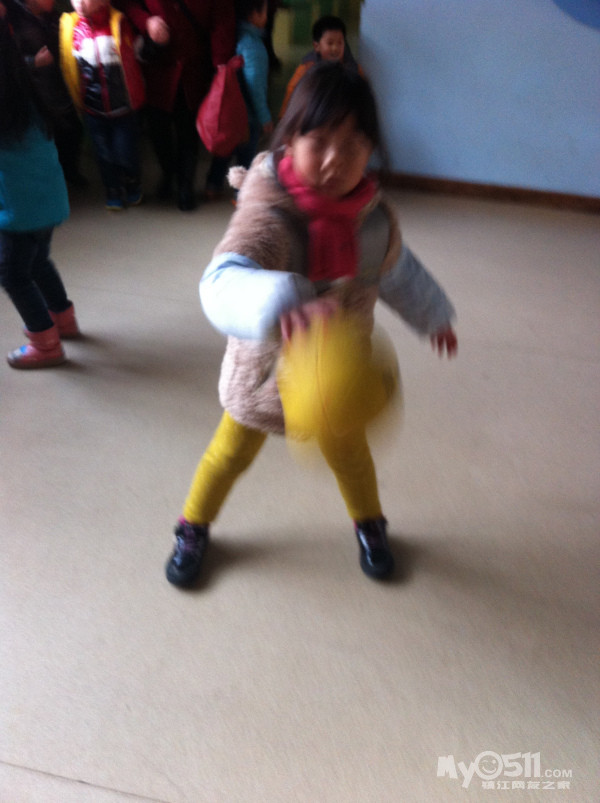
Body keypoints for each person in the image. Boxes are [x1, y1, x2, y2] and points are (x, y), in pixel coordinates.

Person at [164, 62, 458, 588]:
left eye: (353, 144)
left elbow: (396, 269)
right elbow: (220, 281)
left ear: (372, 149)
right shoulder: (267, 216)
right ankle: (192, 526)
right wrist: (279, 301)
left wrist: (433, 315)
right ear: (289, 140)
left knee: (352, 457)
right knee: (228, 454)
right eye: (318, 141)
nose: (333, 160)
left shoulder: (372, 221)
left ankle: (369, 524)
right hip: (263, 378)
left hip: (336, 382)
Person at [0, 20, 80, 369]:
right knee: (37, 262)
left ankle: (46, 345)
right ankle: (63, 318)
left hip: (19, 210)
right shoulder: (22, 85)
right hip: (47, 200)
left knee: (12, 274)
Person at [116, 0, 235, 211]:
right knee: (158, 131)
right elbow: (127, 3)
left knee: (188, 132)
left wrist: (220, 66)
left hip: (194, 71)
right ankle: (168, 173)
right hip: (157, 70)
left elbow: (222, 22)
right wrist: (147, 21)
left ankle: (184, 186)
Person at [59, 0, 145, 210]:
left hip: (122, 106)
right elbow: (69, 66)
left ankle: (132, 181)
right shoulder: (71, 27)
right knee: (103, 154)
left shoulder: (118, 22)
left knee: (125, 152)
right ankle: (112, 189)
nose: (79, 3)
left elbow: (134, 58)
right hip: (92, 107)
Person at [2, 0, 87, 187]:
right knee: (52, 136)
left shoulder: (54, 16)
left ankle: (71, 172)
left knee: (73, 131)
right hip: (39, 92)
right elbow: (9, 63)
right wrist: (34, 62)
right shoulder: (15, 20)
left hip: (61, 85)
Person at [204, 0, 273, 199]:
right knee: (246, 154)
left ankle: (212, 185)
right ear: (253, 16)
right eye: (264, 12)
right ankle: (241, 193)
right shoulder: (254, 47)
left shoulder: (235, 37)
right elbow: (255, 86)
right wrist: (264, 117)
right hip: (247, 114)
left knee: (225, 149)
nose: (267, 16)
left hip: (230, 109)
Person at [279, 15, 362, 119]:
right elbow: (292, 91)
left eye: (340, 43)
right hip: (313, 119)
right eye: (330, 43)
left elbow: (362, 96)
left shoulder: (352, 69)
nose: (335, 48)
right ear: (316, 46)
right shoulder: (307, 68)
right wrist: (284, 117)